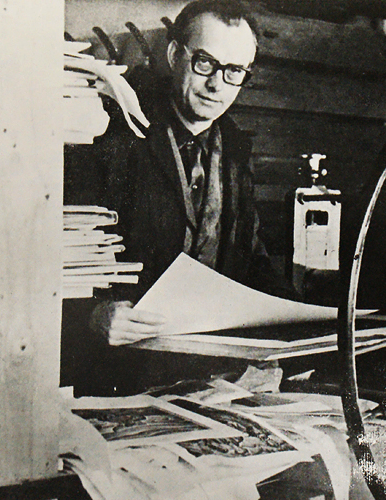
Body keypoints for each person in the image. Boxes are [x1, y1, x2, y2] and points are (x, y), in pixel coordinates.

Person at [78, 0, 290, 394]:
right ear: (176, 55)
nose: (217, 85)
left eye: (234, 72)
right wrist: (93, 315)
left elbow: (251, 260)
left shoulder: (235, 147)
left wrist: (303, 328)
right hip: (119, 377)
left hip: (210, 377)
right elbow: (55, 257)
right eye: (205, 63)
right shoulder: (112, 133)